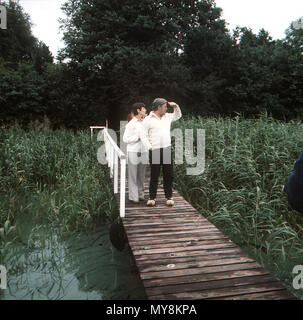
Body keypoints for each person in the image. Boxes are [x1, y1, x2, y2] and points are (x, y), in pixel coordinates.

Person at [142, 98, 182, 207]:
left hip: (166, 149)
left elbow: (178, 115)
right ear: (159, 107)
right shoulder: (148, 119)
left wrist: (175, 106)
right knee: (155, 174)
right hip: (154, 150)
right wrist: (149, 147)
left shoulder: (167, 117)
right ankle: (152, 198)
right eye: (165, 107)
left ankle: (169, 197)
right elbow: (143, 135)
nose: (166, 109)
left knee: (168, 174)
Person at [123, 103, 152, 203]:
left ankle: (141, 194)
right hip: (133, 151)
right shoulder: (131, 124)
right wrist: (138, 138)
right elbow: (125, 139)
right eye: (144, 108)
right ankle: (133, 196)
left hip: (144, 151)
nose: (145, 110)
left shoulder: (145, 122)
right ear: (138, 110)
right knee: (132, 175)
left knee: (141, 174)